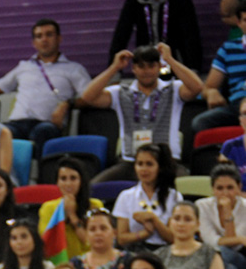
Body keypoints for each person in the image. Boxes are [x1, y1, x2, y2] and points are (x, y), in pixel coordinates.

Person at [79, 43, 202, 181]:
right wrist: (114, 68)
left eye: (151, 66)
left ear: (159, 67)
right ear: (134, 68)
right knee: (94, 188)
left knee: (184, 189)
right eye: (141, 66)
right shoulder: (120, 92)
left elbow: (197, 87)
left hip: (166, 161)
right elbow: (87, 97)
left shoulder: (173, 89)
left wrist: (170, 59)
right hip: (131, 162)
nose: (146, 71)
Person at [0, 18, 92, 158]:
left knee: (42, 132)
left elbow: (90, 97)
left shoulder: (74, 69)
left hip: (46, 124)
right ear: (34, 43)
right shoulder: (24, 67)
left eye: (49, 35)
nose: (44, 40)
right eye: (39, 36)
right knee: (2, 132)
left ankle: (41, 177)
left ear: (59, 38)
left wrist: (68, 104)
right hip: (17, 124)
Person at [109, 0, 202, 71]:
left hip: (176, 62)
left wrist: (193, 69)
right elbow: (121, 36)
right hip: (145, 63)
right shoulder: (134, 0)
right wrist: (114, 72)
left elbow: (191, 37)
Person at [113, 142, 182, 249]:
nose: (143, 169)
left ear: (160, 167)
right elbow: (122, 239)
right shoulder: (126, 196)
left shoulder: (174, 197)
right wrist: (145, 233)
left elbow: (174, 238)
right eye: (140, 164)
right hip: (134, 251)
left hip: (165, 251)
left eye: (149, 164)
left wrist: (154, 220)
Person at [193, 3, 246, 136]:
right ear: (238, 23)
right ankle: (222, 156)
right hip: (237, 107)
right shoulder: (228, 48)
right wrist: (211, 92)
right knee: (200, 123)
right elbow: (209, 87)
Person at [38, 158, 104, 263]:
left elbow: (92, 242)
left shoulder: (95, 205)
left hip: (90, 263)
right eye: (63, 179)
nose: (68, 184)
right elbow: (46, 245)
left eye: (73, 178)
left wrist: (72, 215)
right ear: (57, 182)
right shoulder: (48, 208)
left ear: (81, 181)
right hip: (60, 266)